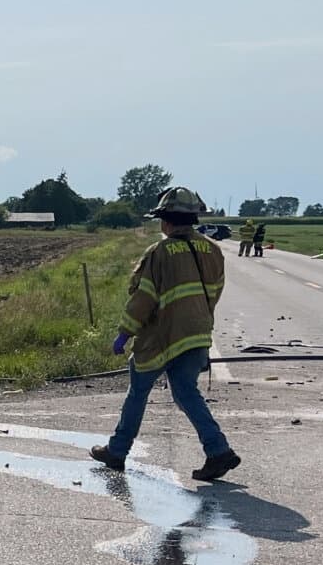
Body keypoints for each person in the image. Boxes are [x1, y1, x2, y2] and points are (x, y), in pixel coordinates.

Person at [89, 187, 240, 481]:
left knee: (138, 393)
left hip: (163, 335)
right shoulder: (213, 249)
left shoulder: (159, 252)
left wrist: (124, 333)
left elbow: (143, 297)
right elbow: (214, 292)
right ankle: (218, 450)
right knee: (186, 393)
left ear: (166, 220)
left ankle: (117, 452)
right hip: (197, 334)